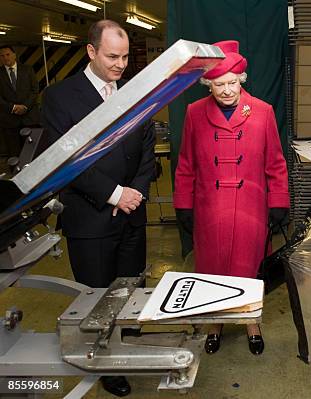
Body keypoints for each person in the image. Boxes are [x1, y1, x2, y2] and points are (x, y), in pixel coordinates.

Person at [41, 20, 155, 397]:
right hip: (91, 217)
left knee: (127, 288)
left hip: (131, 214)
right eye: (112, 57)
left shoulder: (134, 93)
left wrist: (135, 192)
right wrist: (113, 194)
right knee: (96, 295)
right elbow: (67, 160)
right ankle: (105, 365)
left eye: (124, 57)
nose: (121, 65)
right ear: (91, 52)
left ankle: (123, 346)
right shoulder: (61, 97)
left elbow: (146, 147)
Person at [173, 40, 289, 356]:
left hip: (251, 208)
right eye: (219, 84)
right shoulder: (194, 113)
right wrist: (184, 204)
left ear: (242, 80)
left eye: (232, 83)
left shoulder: (263, 112)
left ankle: (251, 323)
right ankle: (215, 324)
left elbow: (276, 162)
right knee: (212, 269)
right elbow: (185, 163)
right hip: (209, 208)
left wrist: (278, 201)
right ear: (207, 84)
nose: (227, 90)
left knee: (248, 269)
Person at [0, 44, 40, 159]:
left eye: (7, 54)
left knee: (32, 152)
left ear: (14, 55)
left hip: (29, 118)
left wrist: (25, 106)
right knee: (14, 154)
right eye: (2, 56)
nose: (5, 58)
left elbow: (35, 90)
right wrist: (12, 107)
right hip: (9, 120)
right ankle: (16, 176)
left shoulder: (28, 70)